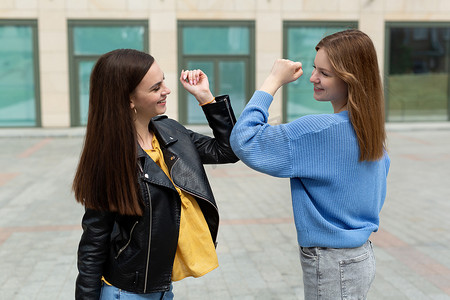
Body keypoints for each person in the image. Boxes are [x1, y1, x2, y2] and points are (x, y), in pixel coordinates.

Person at [230, 29, 390, 299]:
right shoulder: (369, 129)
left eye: (324, 74)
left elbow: (244, 140)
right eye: (316, 68)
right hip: (359, 258)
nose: (313, 78)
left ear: (351, 78)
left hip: (332, 263)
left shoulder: (318, 131)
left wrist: (272, 81)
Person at [73, 48, 238, 300]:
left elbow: (228, 151)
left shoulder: (171, 132)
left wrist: (206, 97)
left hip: (161, 290)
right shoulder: (111, 159)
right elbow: (94, 243)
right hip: (125, 293)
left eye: (164, 81)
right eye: (155, 87)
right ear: (129, 99)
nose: (167, 90)